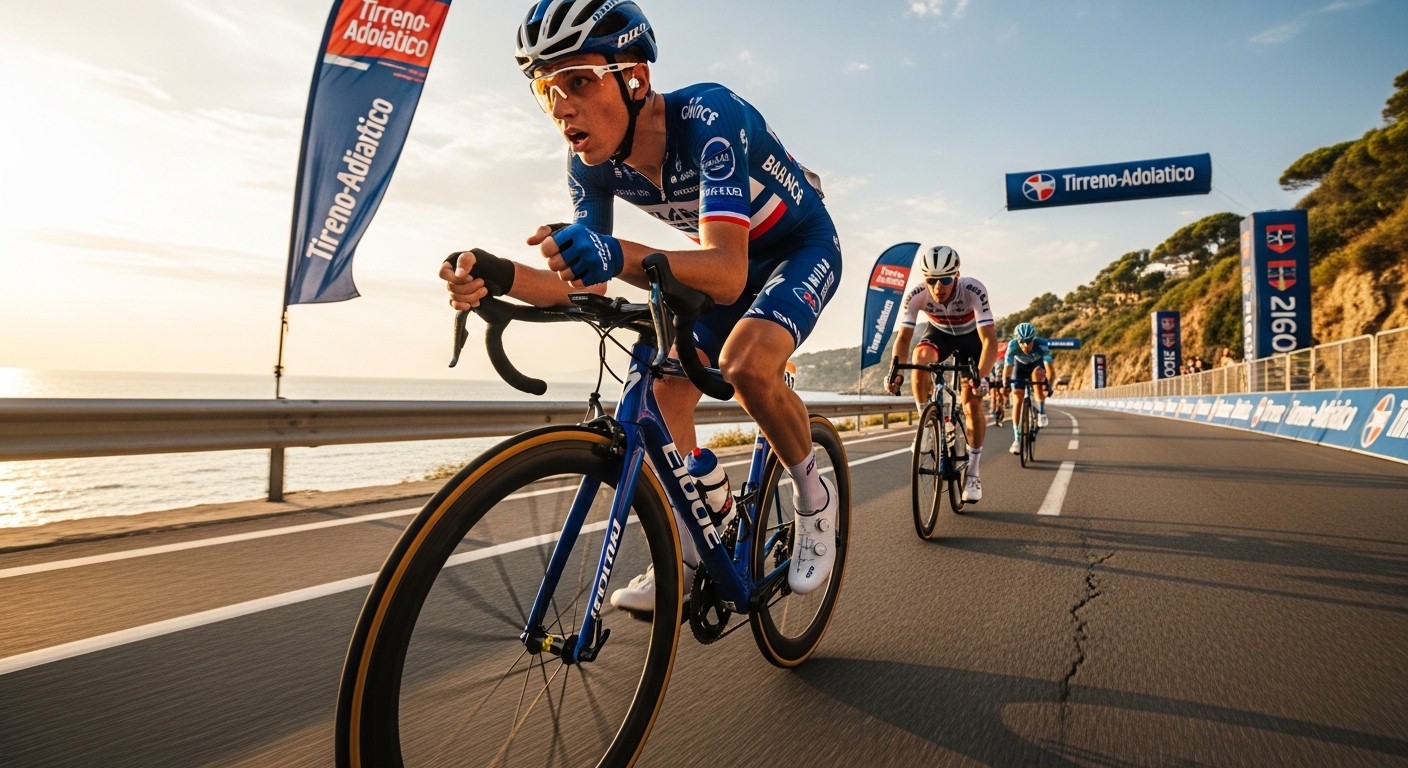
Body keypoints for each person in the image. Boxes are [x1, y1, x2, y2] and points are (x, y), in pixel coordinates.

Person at [440, 0, 843, 612]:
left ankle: (816, 503)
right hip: (708, 264)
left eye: (578, 82)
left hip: (794, 249)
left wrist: (616, 250)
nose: (561, 108)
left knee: (746, 363)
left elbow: (729, 273)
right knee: (656, 394)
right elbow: (589, 286)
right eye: (546, 91)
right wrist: (498, 276)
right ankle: (697, 539)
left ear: (635, 79)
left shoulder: (709, 116)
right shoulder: (590, 167)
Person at [884, 245, 998, 503]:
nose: (938, 287)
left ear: (956, 275)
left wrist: (980, 376)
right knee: (919, 358)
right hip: (940, 335)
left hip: (972, 339)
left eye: (945, 279)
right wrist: (896, 371)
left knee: (972, 403)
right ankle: (926, 422)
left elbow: (989, 341)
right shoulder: (916, 294)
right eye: (931, 280)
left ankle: (973, 473)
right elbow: (903, 338)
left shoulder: (973, 289)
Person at [1004, 322, 1055, 453]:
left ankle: (1042, 413)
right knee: (1017, 400)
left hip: (1036, 366)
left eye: (1029, 342)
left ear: (1034, 339)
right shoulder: (1012, 345)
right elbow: (1008, 368)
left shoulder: (1042, 344)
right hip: (1019, 368)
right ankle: (1016, 438)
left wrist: (1049, 385)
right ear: (1017, 340)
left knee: (1038, 380)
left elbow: (1050, 369)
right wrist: (1005, 383)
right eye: (1022, 342)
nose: (1026, 346)